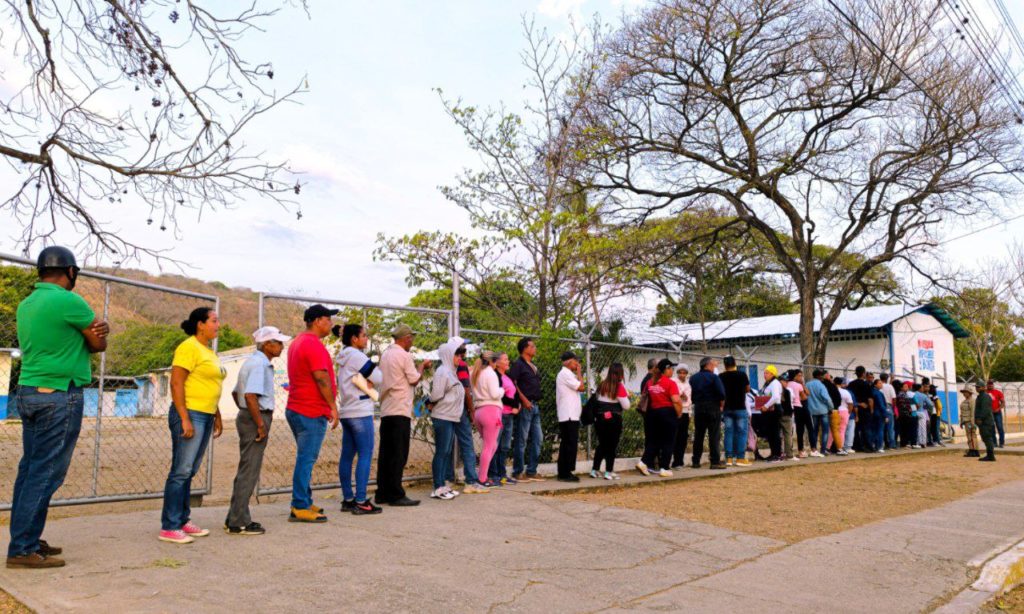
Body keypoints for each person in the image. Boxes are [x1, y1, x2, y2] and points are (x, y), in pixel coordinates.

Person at [7, 247, 108, 568]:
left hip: (29, 391)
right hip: (59, 395)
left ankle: (27, 539)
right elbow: (98, 343)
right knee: (47, 472)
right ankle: (22, 549)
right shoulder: (69, 301)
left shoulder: (27, 303)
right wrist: (97, 333)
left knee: (31, 469)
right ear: (70, 272)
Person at [160, 307, 225, 543]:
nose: (218, 325)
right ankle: (169, 526)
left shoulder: (208, 351)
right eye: (214, 320)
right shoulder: (188, 347)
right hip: (190, 414)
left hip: (205, 414)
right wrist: (184, 417)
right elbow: (177, 384)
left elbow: (209, 385)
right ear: (200, 324)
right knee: (181, 470)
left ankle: (182, 520)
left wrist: (216, 414)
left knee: (190, 470)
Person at [225, 325, 291, 535]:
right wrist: (259, 423)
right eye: (278, 342)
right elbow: (250, 396)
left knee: (247, 467)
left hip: (249, 416)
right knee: (249, 469)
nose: (281, 346)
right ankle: (239, 522)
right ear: (266, 344)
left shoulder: (252, 362)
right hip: (256, 417)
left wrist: (246, 414)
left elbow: (237, 394)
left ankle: (234, 516)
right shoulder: (260, 364)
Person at [284, 304, 340, 523]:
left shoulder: (298, 342)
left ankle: (304, 500)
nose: (331, 323)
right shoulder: (312, 344)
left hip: (298, 408)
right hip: (310, 410)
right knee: (306, 459)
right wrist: (332, 406)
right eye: (328, 319)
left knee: (305, 457)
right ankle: (299, 505)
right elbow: (321, 377)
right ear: (317, 320)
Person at [375, 324, 431, 506]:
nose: (412, 341)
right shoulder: (404, 355)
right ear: (406, 338)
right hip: (400, 408)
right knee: (399, 453)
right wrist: (422, 367)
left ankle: (382, 492)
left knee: (386, 453)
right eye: (411, 338)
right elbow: (414, 379)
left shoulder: (386, 354)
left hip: (387, 407)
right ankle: (395, 493)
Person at [334, 323, 384, 516]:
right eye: (363, 336)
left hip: (347, 410)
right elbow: (378, 377)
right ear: (354, 339)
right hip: (360, 411)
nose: (366, 339)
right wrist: (371, 378)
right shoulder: (357, 356)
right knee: (365, 454)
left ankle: (348, 499)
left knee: (347, 456)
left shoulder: (344, 355)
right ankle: (361, 500)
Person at [427, 337, 466, 500]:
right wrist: (429, 401)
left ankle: (442, 484)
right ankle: (437, 486)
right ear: (449, 354)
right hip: (442, 416)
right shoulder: (442, 371)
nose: (461, 357)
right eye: (458, 354)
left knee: (447, 451)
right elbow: (436, 394)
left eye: (462, 354)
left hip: (450, 416)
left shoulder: (451, 372)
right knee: (442, 451)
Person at [448, 343, 487, 494]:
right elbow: (465, 389)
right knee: (467, 444)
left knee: (447, 445)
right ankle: (470, 480)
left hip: (447, 410)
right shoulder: (462, 365)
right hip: (460, 409)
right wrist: (471, 410)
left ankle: (447, 478)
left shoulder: (445, 366)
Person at [637, 358, 683, 476]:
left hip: (653, 414)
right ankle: (664, 468)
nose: (672, 371)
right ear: (666, 369)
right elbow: (676, 401)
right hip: (667, 413)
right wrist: (678, 413)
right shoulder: (670, 383)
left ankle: (643, 462)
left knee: (655, 440)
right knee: (669, 441)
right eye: (671, 368)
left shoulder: (650, 382)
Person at [510, 338, 544, 482]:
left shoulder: (532, 365)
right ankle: (518, 471)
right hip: (525, 406)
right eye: (532, 346)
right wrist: (523, 400)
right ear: (525, 348)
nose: (535, 348)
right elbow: (512, 383)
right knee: (521, 439)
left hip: (535, 406)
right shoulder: (518, 365)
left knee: (538, 439)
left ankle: (531, 470)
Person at [590, 363, 630, 479]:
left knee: (602, 444)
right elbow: (626, 406)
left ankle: (595, 470)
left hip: (600, 419)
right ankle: (609, 472)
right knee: (611, 445)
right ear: (620, 374)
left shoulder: (602, 385)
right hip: (613, 419)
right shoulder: (618, 387)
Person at [471, 350, 505, 487]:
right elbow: (495, 394)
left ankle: (481, 474)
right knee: (489, 446)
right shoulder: (490, 373)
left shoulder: (476, 372)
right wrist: (502, 390)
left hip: (479, 411)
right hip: (491, 410)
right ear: (492, 361)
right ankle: (482, 478)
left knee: (492, 445)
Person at [555, 351, 587, 482]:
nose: (577, 364)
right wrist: (579, 374)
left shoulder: (567, 374)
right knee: (570, 444)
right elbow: (581, 387)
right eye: (575, 361)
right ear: (568, 361)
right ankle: (566, 472)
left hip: (570, 414)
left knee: (567, 443)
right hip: (568, 414)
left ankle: (563, 471)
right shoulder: (565, 374)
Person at [690, 357, 726, 470]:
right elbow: (721, 393)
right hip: (713, 407)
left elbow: (691, 394)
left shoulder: (693, 378)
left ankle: (696, 461)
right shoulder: (714, 377)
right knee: (714, 435)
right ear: (708, 365)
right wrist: (720, 404)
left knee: (699, 435)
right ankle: (715, 461)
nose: (714, 366)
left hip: (699, 407)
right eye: (713, 364)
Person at [490, 351, 519, 485]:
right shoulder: (495, 376)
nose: (508, 362)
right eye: (505, 359)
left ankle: (502, 474)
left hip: (509, 415)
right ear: (498, 362)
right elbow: (499, 395)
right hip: (500, 413)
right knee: (495, 445)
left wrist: (517, 405)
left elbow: (513, 394)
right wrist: (514, 404)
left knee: (505, 446)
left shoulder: (507, 377)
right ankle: (493, 474)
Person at [719, 356, 751, 467]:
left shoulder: (721, 376)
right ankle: (740, 458)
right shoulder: (742, 375)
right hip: (740, 407)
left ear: (725, 365)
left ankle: (728, 459)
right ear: (735, 363)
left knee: (729, 433)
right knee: (741, 433)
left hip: (727, 408)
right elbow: (747, 389)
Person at [639, 357, 661, 471]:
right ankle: (649, 463)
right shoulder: (649, 380)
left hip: (650, 413)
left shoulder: (648, 379)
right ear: (654, 368)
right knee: (652, 439)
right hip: (651, 413)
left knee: (652, 438)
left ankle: (652, 463)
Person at [760, 365, 785, 462]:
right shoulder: (768, 384)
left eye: (767, 373)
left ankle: (777, 454)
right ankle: (773, 453)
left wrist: (766, 406)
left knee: (774, 432)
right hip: (769, 410)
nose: (764, 375)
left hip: (774, 409)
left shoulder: (774, 383)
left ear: (772, 374)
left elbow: (775, 397)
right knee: (770, 433)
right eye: (764, 373)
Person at [805, 369, 832, 457]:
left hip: (812, 410)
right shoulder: (821, 385)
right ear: (819, 376)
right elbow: (826, 398)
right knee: (825, 431)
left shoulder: (807, 384)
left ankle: (814, 449)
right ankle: (823, 450)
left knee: (814, 430)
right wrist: (831, 407)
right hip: (823, 410)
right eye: (822, 375)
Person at [847, 366, 874, 452]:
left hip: (854, 407)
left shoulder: (851, 384)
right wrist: (871, 409)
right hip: (865, 409)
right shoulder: (866, 384)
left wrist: (857, 403)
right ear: (863, 374)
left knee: (855, 428)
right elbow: (870, 399)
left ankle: (857, 446)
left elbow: (849, 396)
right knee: (866, 428)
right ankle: (869, 446)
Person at [670, 364, 692, 468]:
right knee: (674, 436)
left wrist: (690, 413)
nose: (682, 375)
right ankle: (670, 460)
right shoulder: (673, 382)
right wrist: (680, 396)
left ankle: (679, 461)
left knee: (682, 438)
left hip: (685, 412)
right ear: (677, 373)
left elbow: (689, 399)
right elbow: (672, 396)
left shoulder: (688, 384)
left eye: (684, 373)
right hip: (676, 411)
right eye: (680, 372)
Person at [788, 370, 810, 458]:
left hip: (789, 408)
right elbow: (805, 396)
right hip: (798, 407)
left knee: (789, 430)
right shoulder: (798, 385)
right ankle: (800, 450)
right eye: (799, 376)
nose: (801, 377)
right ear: (795, 376)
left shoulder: (785, 384)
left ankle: (789, 450)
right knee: (799, 430)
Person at [827, 377, 851, 455]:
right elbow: (850, 403)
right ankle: (840, 448)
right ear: (841, 383)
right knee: (842, 431)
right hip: (844, 411)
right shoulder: (845, 392)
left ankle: (828, 447)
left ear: (834, 382)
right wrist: (849, 412)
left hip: (834, 410)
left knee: (831, 431)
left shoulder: (831, 390)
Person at [975, 383, 997, 462]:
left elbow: (985, 410)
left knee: (987, 438)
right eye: (976, 387)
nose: (977, 388)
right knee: (985, 438)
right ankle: (990, 455)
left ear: (984, 388)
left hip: (986, 421)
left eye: (978, 387)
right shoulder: (980, 396)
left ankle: (991, 456)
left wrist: (980, 418)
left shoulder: (985, 396)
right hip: (983, 422)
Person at [779, 370, 797, 460]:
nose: (787, 383)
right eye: (785, 381)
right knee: (788, 435)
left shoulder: (775, 390)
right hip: (786, 415)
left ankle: (780, 452)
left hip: (777, 414)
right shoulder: (787, 391)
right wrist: (791, 413)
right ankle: (789, 454)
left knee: (779, 435)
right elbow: (789, 405)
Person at [870, 378, 889, 453]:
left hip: (874, 413)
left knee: (874, 430)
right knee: (880, 430)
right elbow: (882, 405)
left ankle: (874, 445)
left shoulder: (872, 392)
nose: (881, 384)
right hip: (880, 414)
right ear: (875, 384)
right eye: (879, 383)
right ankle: (880, 446)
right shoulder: (878, 393)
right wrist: (886, 415)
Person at [960, 387, 979, 458]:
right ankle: (972, 450)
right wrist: (961, 421)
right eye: (964, 392)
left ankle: (974, 450)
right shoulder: (965, 401)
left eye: (966, 392)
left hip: (970, 421)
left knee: (972, 436)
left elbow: (973, 413)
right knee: (969, 436)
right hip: (966, 421)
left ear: (969, 393)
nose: (964, 393)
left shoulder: (972, 401)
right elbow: (962, 412)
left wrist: (972, 422)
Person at [880, 373, 897, 450]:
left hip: (880, 406)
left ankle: (881, 445)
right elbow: (894, 398)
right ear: (887, 378)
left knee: (881, 427)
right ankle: (891, 445)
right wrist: (893, 407)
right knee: (890, 427)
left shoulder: (878, 386)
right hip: (888, 406)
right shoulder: (890, 386)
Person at [912, 383, 932, 449]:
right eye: (922, 387)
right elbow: (930, 404)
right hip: (921, 411)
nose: (923, 389)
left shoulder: (911, 394)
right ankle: (923, 443)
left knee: (915, 428)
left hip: (913, 412)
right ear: (919, 388)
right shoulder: (923, 395)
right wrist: (925, 406)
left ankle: (916, 442)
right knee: (922, 428)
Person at [987, 380, 1005, 448]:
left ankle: (1001, 443)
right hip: (989, 413)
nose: (990, 385)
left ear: (993, 385)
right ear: (987, 385)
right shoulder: (985, 393)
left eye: (991, 384)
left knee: (1000, 427)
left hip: (997, 413)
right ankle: (994, 443)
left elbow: (1003, 403)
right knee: (991, 428)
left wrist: (998, 408)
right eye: (989, 384)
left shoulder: (998, 392)